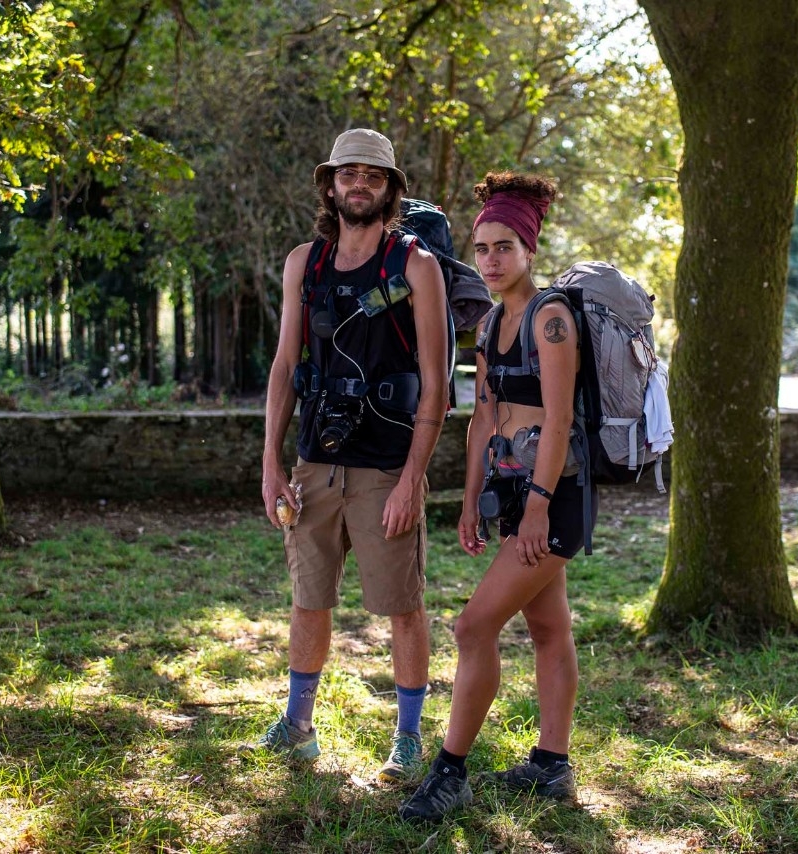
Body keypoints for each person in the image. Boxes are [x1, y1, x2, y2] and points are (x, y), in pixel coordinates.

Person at [247, 128, 450, 784]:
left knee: (401, 605)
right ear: (330, 185)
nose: (359, 185)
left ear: (390, 190)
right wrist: (272, 462)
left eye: (373, 176)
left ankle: (409, 739)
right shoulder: (304, 263)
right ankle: (297, 726)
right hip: (315, 461)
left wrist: (412, 479)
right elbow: (285, 365)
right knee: (308, 598)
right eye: (348, 174)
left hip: (386, 466)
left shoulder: (415, 265)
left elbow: (436, 384)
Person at [399, 172, 596, 822]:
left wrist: (537, 507)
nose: (490, 260)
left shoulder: (552, 319)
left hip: (554, 497)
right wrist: (470, 497)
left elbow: (559, 421)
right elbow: (483, 415)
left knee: (473, 626)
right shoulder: (488, 324)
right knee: (548, 627)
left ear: (529, 250)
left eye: (504, 247)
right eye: (482, 248)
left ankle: (450, 772)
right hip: (512, 492)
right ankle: (552, 765)